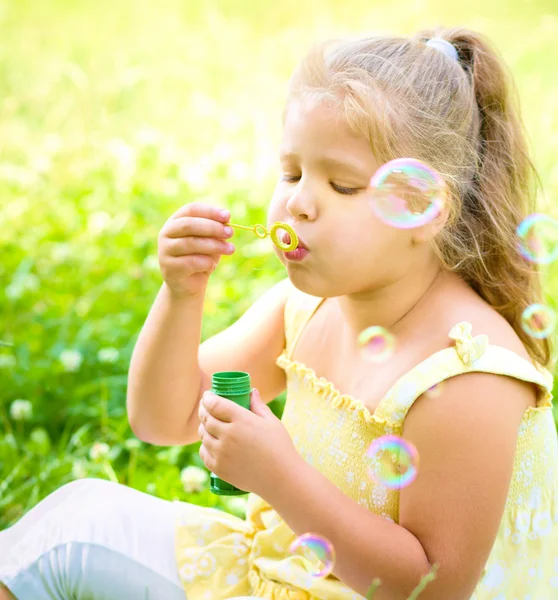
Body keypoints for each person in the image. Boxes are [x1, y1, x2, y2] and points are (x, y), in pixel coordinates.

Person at [1, 24, 557, 600]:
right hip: (281, 577)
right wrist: (180, 297)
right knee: (74, 526)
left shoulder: (467, 375)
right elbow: (162, 418)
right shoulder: (308, 308)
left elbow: (434, 589)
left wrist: (280, 477)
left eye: (341, 185)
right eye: (292, 173)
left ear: (423, 208)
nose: (297, 202)